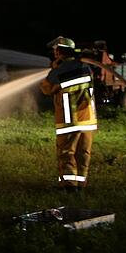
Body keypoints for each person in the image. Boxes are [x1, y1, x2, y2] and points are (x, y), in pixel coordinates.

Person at [39, 36, 97, 190]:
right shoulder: (86, 67)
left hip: (69, 120)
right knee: (83, 153)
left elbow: (46, 89)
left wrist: (54, 69)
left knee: (67, 153)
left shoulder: (60, 70)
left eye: (55, 50)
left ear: (59, 51)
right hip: (88, 119)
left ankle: (69, 185)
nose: (54, 53)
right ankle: (81, 184)